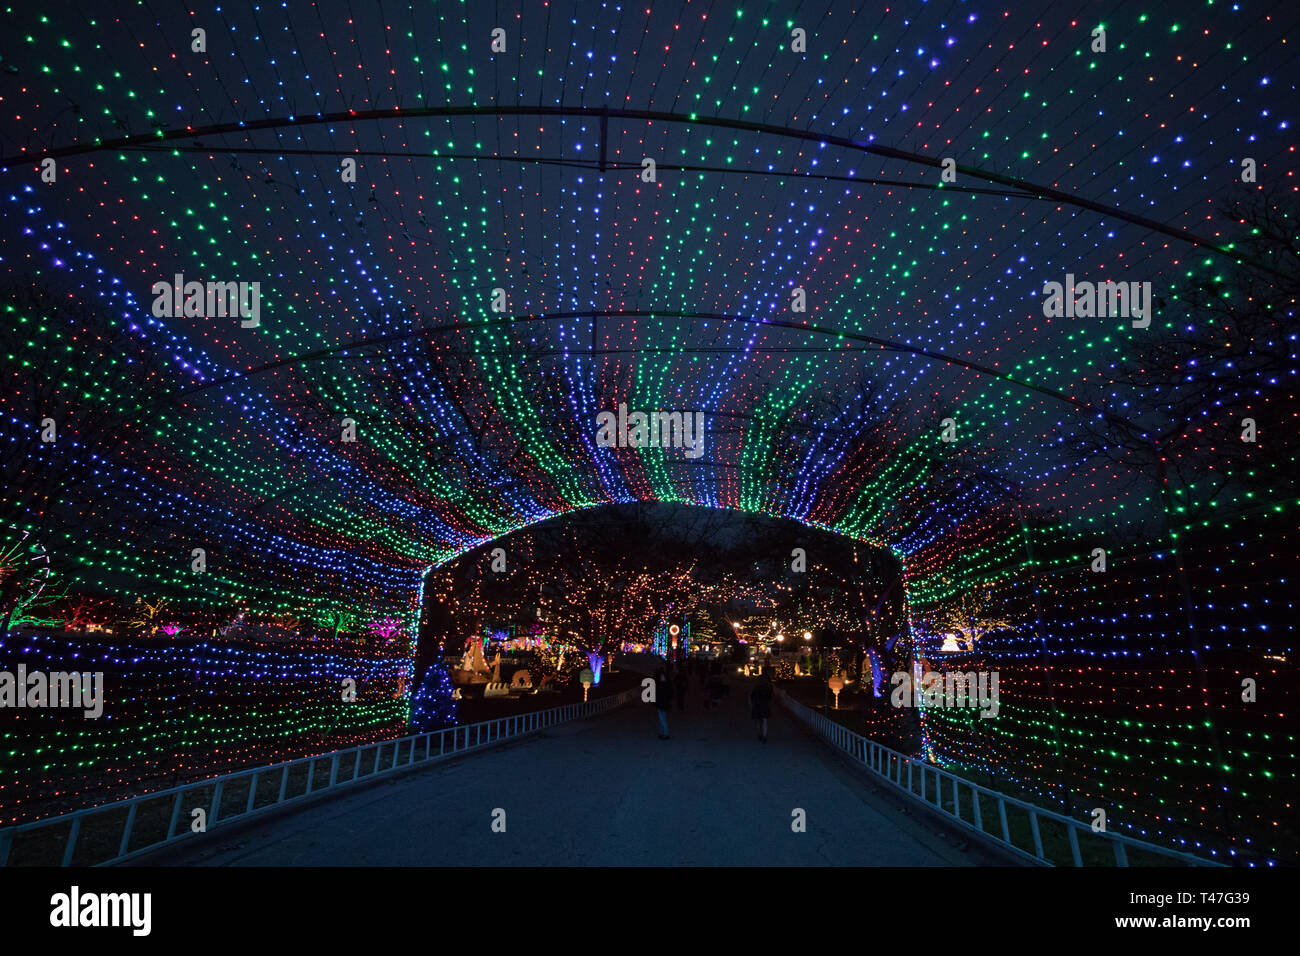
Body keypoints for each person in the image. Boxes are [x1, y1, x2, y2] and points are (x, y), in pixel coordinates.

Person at [749, 669, 774, 743]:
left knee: (758, 720)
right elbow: (770, 696)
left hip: (757, 704)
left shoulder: (757, 687)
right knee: (764, 721)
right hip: (765, 704)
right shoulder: (769, 687)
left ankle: (760, 734)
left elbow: (752, 696)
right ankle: (764, 735)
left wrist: (751, 703)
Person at [654, 665, 672, 738]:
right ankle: (662, 732)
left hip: (662, 703)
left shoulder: (662, 685)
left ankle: (665, 733)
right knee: (661, 718)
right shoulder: (664, 684)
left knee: (662, 719)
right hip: (662, 703)